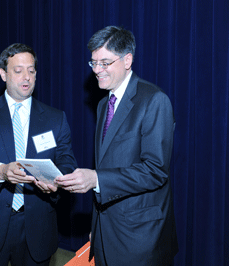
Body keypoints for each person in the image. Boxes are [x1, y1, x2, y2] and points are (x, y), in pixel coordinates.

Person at [55, 26, 178, 266]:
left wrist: (95, 179)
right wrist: (97, 227)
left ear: (127, 60)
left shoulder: (154, 100)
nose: (97, 71)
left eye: (105, 63)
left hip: (141, 237)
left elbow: (155, 171)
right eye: (93, 63)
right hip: (106, 232)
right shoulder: (104, 104)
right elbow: (107, 166)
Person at [0, 43, 77, 266]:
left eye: (31, 70)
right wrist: (0, 170)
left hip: (37, 222)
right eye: (18, 70)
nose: (26, 77)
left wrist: (58, 182)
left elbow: (67, 161)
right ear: (3, 74)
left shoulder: (55, 118)